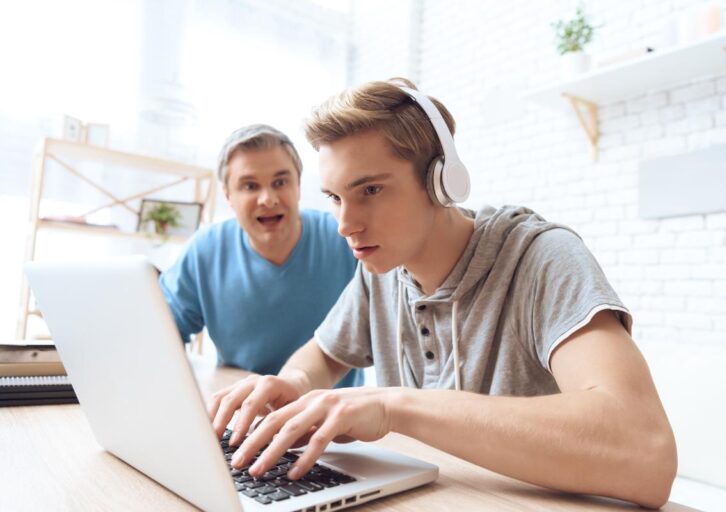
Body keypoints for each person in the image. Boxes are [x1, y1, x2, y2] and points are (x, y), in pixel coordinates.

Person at [208, 81, 677, 508]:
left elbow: (646, 452)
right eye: (334, 197)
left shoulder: (542, 258)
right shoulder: (381, 269)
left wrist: (391, 406)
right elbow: (326, 355)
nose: (345, 225)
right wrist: (295, 385)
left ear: (442, 180)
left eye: (370, 189)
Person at [160, 124, 362, 388]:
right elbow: (162, 332)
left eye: (280, 182)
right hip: (240, 402)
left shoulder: (348, 240)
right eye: (250, 186)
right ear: (228, 196)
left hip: (329, 408)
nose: (268, 199)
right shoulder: (204, 251)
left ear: (298, 186)